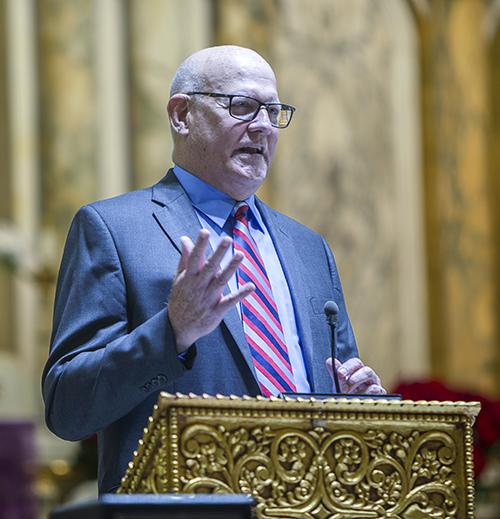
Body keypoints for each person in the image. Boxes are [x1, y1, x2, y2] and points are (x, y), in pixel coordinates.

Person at [42, 45, 385, 494]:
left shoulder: (309, 248)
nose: (263, 126)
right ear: (182, 115)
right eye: (242, 107)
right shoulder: (112, 229)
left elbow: (339, 392)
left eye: (273, 111)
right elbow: (68, 408)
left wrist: (360, 402)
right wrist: (172, 332)